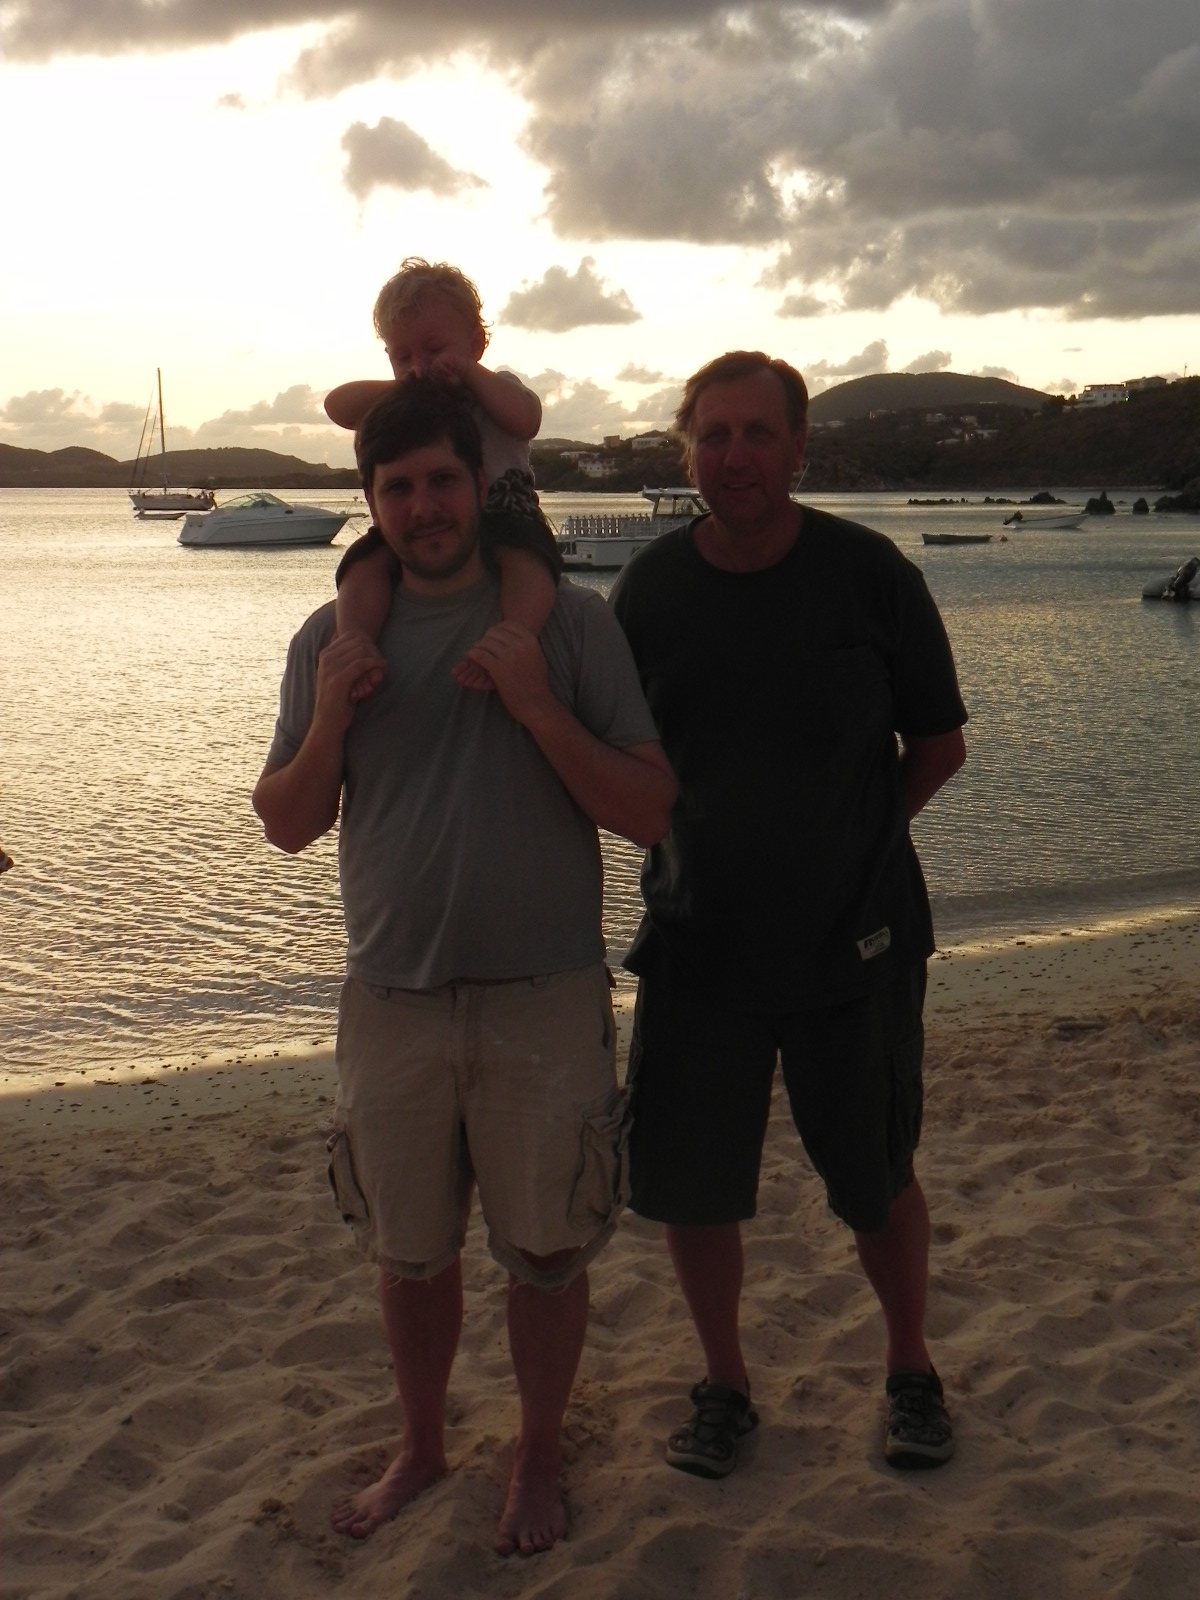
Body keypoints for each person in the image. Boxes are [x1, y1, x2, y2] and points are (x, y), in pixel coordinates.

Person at [253, 379, 676, 1555]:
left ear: (481, 484)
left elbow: (649, 810)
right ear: (370, 503)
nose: (424, 505)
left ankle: (536, 1451)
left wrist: (540, 709)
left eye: (442, 480)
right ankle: (423, 1444)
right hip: (390, 997)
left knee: (545, 1251)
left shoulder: (570, 625)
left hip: (545, 993)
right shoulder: (332, 640)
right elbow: (286, 823)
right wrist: (329, 721)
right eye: (396, 489)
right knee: (408, 1252)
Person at [609, 350, 968, 1480]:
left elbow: (939, 745)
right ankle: (724, 1385)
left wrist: (853, 842)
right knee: (693, 1186)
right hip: (696, 946)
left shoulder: (869, 575)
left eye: (758, 433)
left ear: (799, 449)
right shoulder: (649, 592)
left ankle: (910, 1368)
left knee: (875, 1176)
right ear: (689, 451)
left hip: (854, 949)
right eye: (713, 435)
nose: (735, 456)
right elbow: (618, 760)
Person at [325, 257, 558, 695]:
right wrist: (405, 386)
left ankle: (514, 638)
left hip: (508, 514)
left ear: (474, 344)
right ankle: (354, 645)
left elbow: (526, 419)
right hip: (420, 526)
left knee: (528, 563)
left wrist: (468, 373)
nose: (420, 365)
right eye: (403, 356)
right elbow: (338, 405)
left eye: (433, 350)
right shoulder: (404, 404)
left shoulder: (495, 387)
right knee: (363, 565)